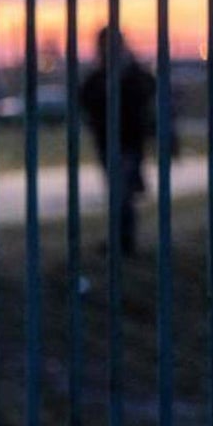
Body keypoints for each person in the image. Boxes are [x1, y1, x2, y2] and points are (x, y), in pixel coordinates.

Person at [79, 27, 156, 256]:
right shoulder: (100, 74)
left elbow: (146, 91)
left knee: (121, 194)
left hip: (128, 141)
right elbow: (84, 97)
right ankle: (121, 240)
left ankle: (124, 242)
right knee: (117, 192)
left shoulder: (131, 71)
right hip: (108, 141)